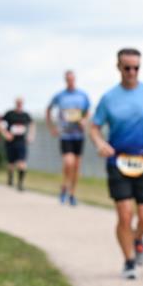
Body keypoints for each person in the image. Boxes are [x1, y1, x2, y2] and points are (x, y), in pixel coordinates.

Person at [89, 48, 143, 280]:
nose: (132, 72)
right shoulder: (109, 98)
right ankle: (128, 261)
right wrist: (99, 143)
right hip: (119, 160)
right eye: (127, 68)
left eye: (136, 67)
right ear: (118, 67)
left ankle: (137, 238)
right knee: (125, 215)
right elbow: (94, 126)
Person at [46, 70, 91, 206]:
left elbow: (88, 111)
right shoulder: (60, 96)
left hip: (79, 134)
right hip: (65, 134)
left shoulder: (82, 95)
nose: (70, 81)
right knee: (68, 162)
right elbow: (48, 109)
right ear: (65, 80)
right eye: (68, 79)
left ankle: (72, 193)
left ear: (75, 79)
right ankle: (64, 186)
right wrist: (52, 127)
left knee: (76, 166)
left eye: (72, 79)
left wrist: (84, 120)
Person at [2, 97, 34, 191]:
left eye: (21, 102)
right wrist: (6, 134)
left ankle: (20, 184)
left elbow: (32, 124)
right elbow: (0, 124)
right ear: (15, 103)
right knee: (11, 163)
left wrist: (31, 135)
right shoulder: (9, 114)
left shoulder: (25, 115)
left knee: (22, 163)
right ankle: (10, 178)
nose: (19, 104)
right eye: (18, 102)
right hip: (11, 142)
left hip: (21, 142)